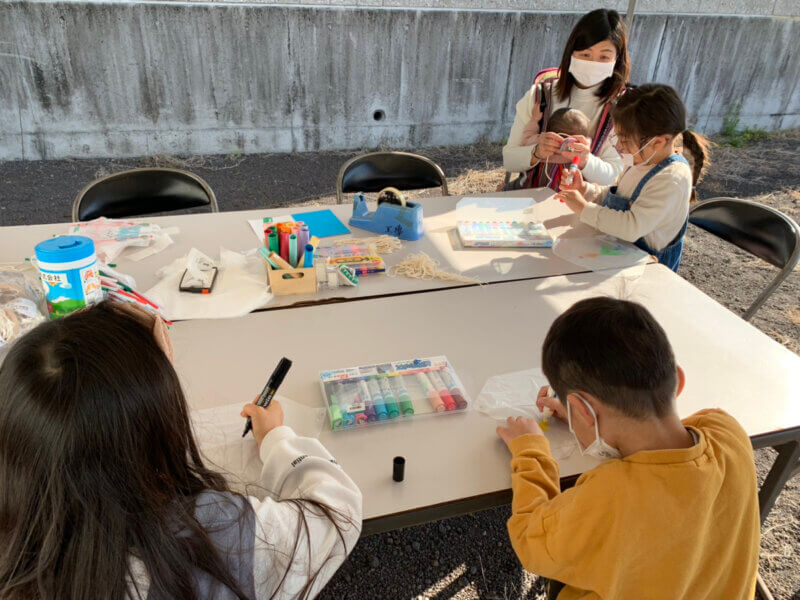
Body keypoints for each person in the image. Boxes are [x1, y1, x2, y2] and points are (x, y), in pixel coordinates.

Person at [0, 301, 362, 599]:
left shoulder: (18, 550)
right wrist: (277, 440)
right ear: (155, 427)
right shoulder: (210, 534)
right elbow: (339, 512)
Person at [496, 297, 760, 600]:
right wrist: (584, 418)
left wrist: (530, 451)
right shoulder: (727, 431)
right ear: (678, 381)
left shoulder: (610, 494)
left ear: (582, 410)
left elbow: (530, 541)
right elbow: (664, 447)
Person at [556, 83, 711, 272]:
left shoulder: (672, 178)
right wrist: (584, 190)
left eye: (625, 140)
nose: (619, 146)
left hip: (648, 269)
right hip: (620, 254)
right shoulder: (641, 160)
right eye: (617, 137)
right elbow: (617, 195)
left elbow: (631, 227)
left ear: (658, 142)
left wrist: (582, 208)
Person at [502, 9, 629, 189]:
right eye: (585, 54)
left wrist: (586, 160)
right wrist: (536, 152)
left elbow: (615, 177)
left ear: (617, 60)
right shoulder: (540, 96)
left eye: (604, 57)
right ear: (571, 53)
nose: (593, 63)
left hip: (583, 203)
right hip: (531, 197)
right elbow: (509, 160)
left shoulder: (622, 110)